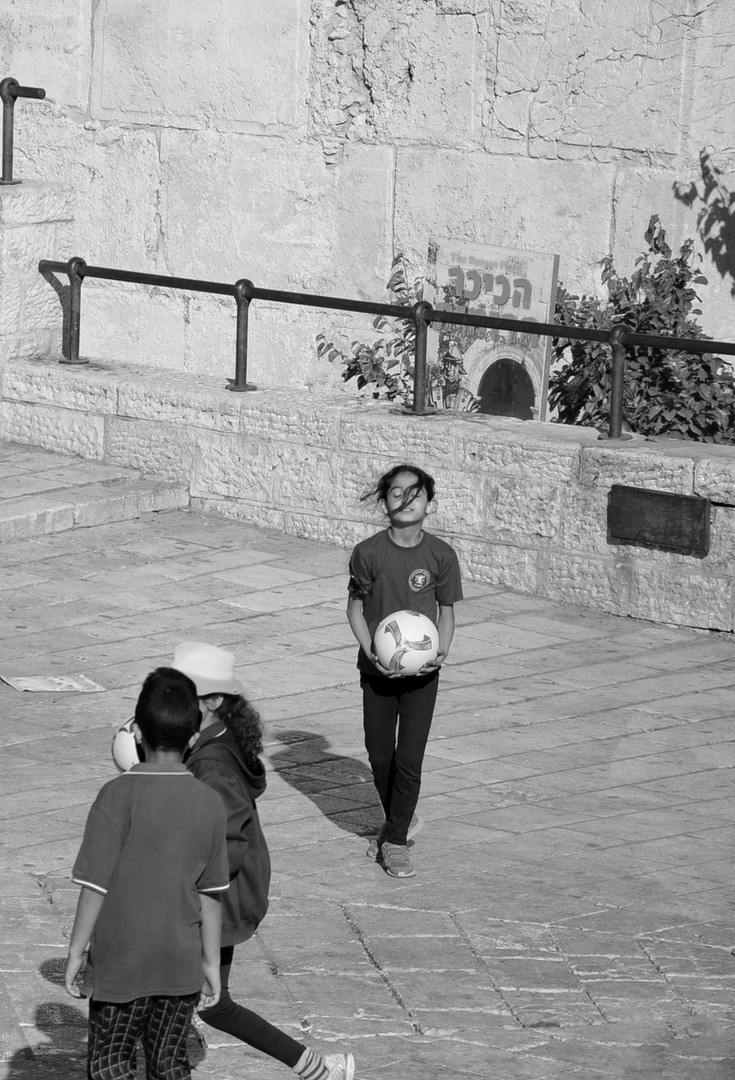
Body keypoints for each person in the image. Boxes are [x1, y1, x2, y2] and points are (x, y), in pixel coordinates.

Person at [171, 641, 355, 1080]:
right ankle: (315, 1069)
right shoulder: (215, 740)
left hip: (218, 897)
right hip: (221, 892)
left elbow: (226, 845)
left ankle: (316, 1070)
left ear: (212, 702)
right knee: (200, 1001)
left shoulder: (212, 766)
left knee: (207, 1001)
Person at [64, 667, 229, 1080]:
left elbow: (94, 887)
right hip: (180, 967)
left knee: (109, 1063)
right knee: (169, 1063)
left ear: (135, 731)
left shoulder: (115, 795)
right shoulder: (209, 803)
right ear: (193, 738)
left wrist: (76, 952)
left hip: (119, 966)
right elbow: (211, 894)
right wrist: (210, 962)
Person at [347, 464, 463, 879]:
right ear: (385, 501)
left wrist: (441, 652)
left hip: (423, 677)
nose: (406, 500)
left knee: (409, 760)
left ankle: (395, 843)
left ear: (429, 502)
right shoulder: (368, 552)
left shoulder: (441, 555)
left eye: (416, 494)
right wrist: (370, 651)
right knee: (381, 758)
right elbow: (355, 610)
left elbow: (446, 613)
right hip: (377, 673)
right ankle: (402, 818)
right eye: (397, 493)